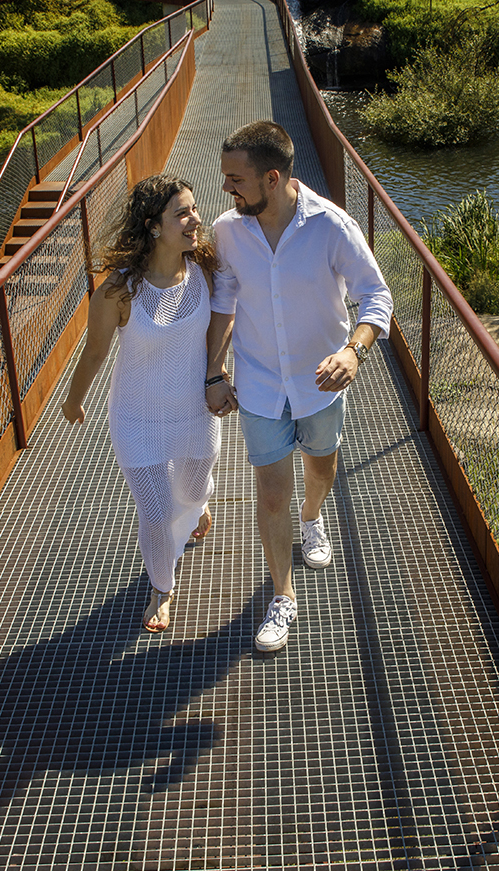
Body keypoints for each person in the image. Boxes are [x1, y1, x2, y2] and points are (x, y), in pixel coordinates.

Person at [205, 121, 393, 652]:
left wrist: (353, 352)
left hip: (320, 383)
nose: (227, 188)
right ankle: (282, 597)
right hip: (260, 384)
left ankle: (312, 518)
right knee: (270, 494)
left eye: (235, 178)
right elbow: (223, 304)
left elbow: (377, 297)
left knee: (320, 469)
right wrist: (214, 373)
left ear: (272, 178)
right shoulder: (227, 230)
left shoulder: (333, 227)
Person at [63, 173, 237, 633]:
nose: (195, 219)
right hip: (136, 418)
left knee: (193, 493)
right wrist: (73, 399)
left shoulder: (205, 266)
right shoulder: (119, 291)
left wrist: (219, 375)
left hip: (196, 412)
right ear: (153, 225)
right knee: (157, 513)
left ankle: (200, 507)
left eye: (195, 208)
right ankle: (162, 587)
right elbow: (95, 352)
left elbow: (229, 314)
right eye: (182, 213)